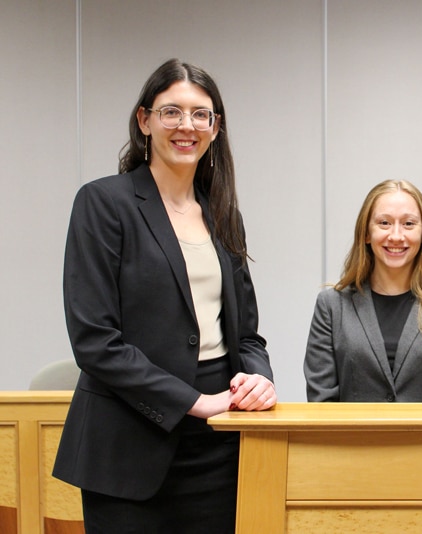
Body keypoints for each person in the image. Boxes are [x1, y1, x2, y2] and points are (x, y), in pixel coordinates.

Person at [53, 59, 277, 533]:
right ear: (144, 120)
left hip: (220, 445)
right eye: (171, 111)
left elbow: (248, 337)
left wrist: (258, 380)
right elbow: (94, 340)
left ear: (216, 128)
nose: (186, 126)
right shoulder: (103, 203)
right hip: (129, 445)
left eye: (201, 114)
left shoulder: (223, 215)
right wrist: (193, 400)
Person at [304, 180, 422, 404]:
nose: (397, 236)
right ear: (366, 233)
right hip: (353, 440)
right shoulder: (332, 306)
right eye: (384, 223)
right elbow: (321, 403)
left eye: (409, 224)